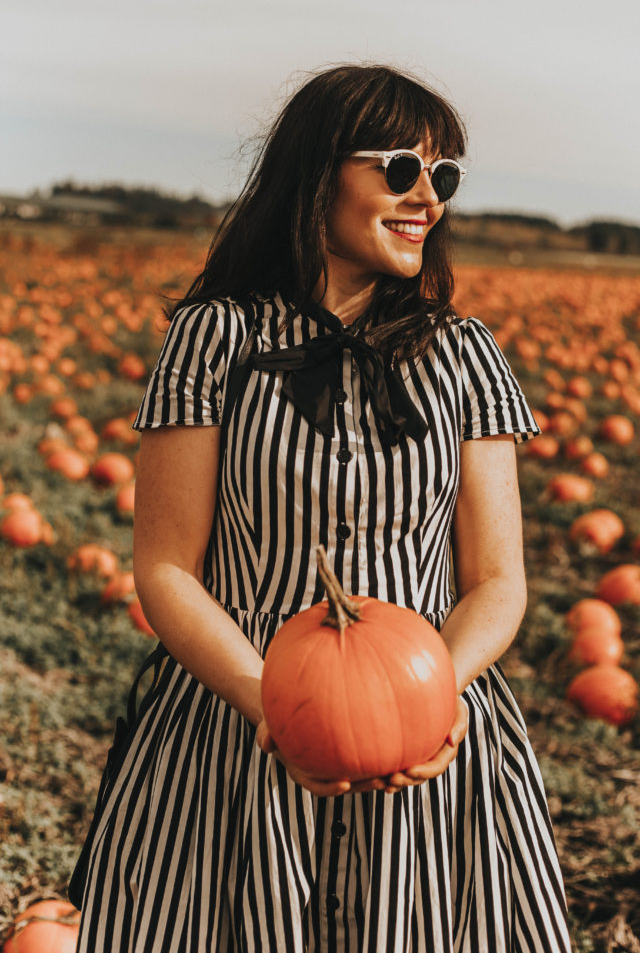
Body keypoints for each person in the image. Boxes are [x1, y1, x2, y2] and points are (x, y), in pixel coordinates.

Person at [70, 64, 572, 952]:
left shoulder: (463, 355)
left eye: (444, 176)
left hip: (429, 734)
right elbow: (167, 568)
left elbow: (497, 581)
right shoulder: (217, 337)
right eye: (400, 169)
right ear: (316, 172)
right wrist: (275, 703)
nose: (427, 198)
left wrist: (429, 699)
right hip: (239, 720)